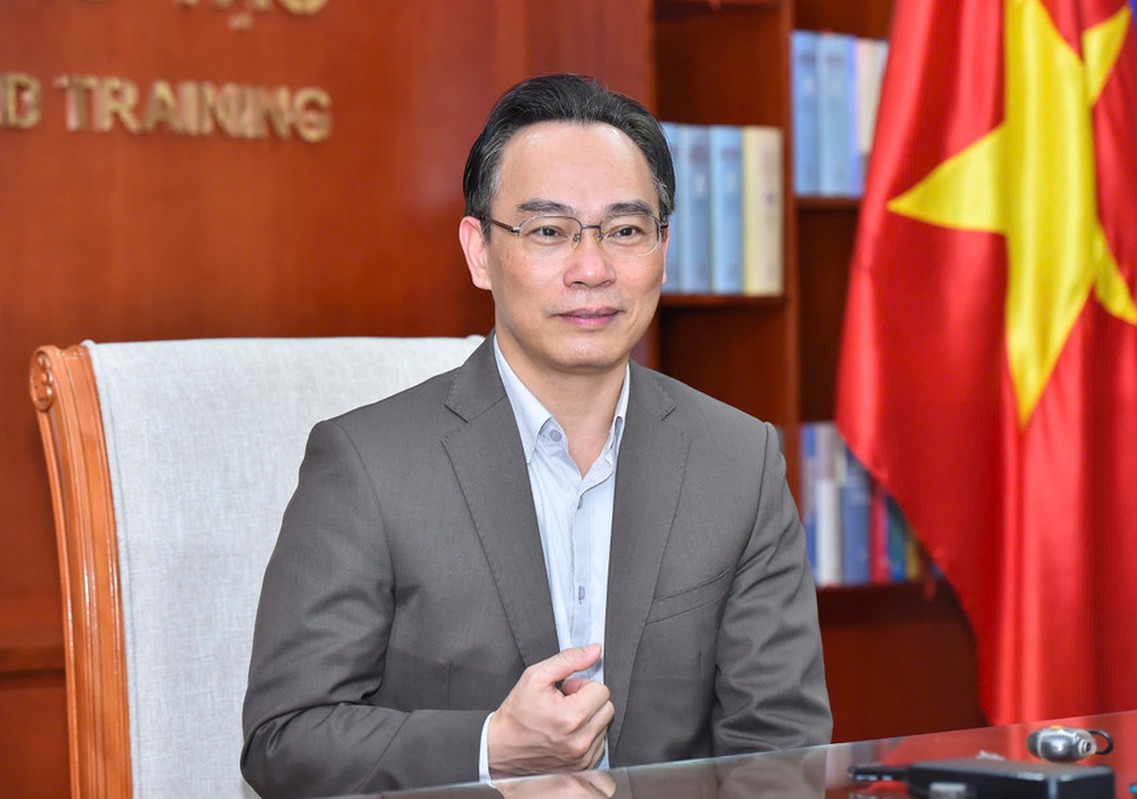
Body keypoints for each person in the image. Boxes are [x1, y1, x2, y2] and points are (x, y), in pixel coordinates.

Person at [241, 73, 831, 798]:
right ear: (479, 251)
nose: (592, 269)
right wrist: (490, 747)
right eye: (549, 231)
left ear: (663, 248)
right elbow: (285, 740)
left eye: (625, 231)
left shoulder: (739, 462)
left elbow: (780, 749)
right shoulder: (368, 465)